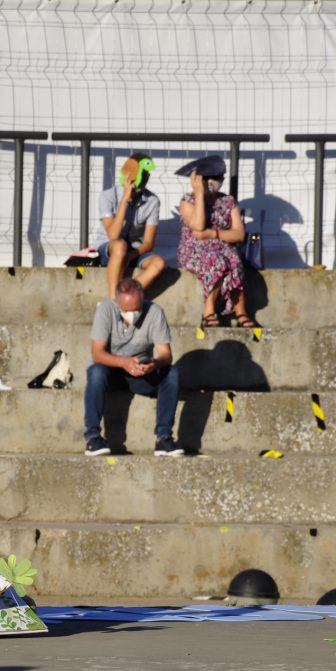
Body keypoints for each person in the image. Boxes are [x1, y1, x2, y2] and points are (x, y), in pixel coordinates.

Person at [83, 278, 183, 457]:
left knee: (171, 373)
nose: (132, 314)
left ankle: (164, 438)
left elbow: (166, 354)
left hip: (141, 372)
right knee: (96, 372)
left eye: (137, 309)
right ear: (117, 302)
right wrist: (123, 362)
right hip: (111, 372)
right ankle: (92, 437)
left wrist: (155, 364)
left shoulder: (154, 311)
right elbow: (97, 354)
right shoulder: (106, 310)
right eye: (126, 310)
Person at [177, 155, 255, 328]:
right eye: (213, 179)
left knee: (234, 261)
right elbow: (197, 228)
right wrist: (199, 195)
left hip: (223, 246)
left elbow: (239, 234)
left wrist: (211, 233)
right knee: (217, 262)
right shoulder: (187, 201)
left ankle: (241, 311)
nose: (217, 182)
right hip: (194, 249)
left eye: (219, 179)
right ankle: (209, 310)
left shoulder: (228, 201)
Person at [96, 152, 166, 298]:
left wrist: (130, 256)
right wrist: (124, 201)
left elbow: (148, 243)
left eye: (147, 174)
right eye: (142, 173)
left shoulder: (152, 201)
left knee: (158, 263)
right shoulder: (108, 196)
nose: (144, 177)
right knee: (120, 245)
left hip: (134, 251)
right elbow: (113, 235)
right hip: (108, 249)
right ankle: (113, 302)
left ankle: (125, 296)